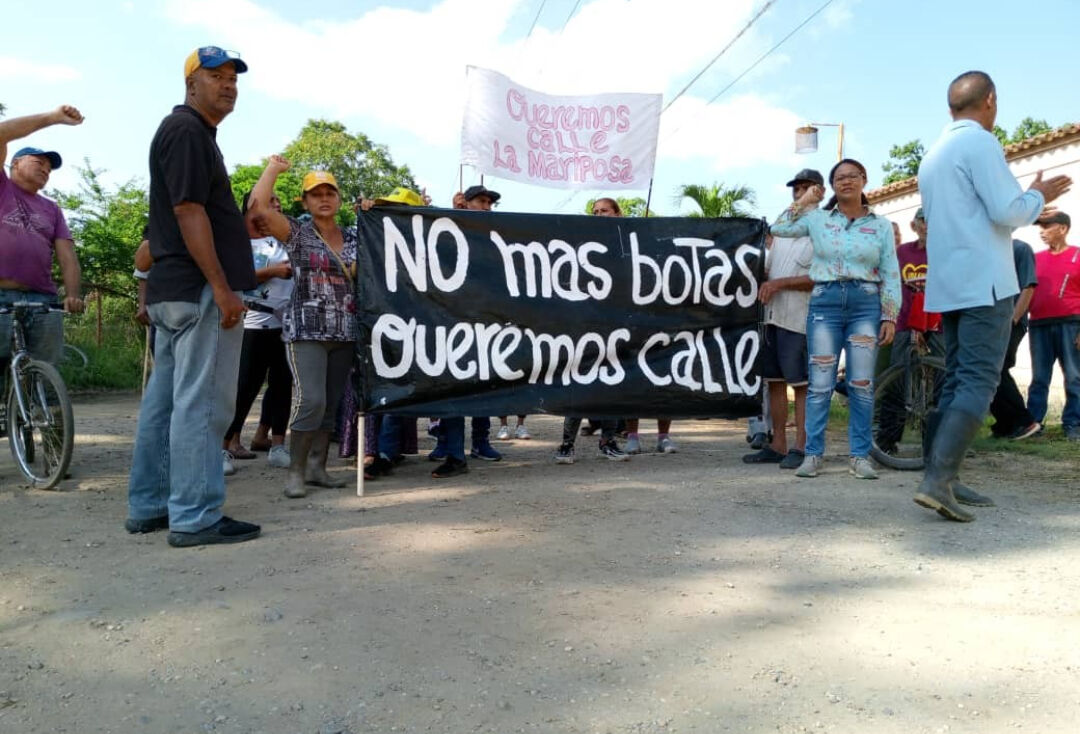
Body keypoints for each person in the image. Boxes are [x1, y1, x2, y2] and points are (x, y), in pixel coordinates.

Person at [915, 70, 1071, 522]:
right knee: (979, 382)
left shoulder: (934, 154)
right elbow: (1008, 211)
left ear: (950, 108)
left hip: (950, 284)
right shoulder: (980, 143)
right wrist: (1038, 195)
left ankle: (943, 474)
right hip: (984, 282)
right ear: (990, 101)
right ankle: (937, 480)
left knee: (957, 378)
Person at [127, 47, 260, 547]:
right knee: (202, 403)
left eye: (232, 78)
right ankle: (195, 515)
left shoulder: (189, 132)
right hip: (199, 287)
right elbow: (188, 212)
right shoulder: (186, 131)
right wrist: (223, 289)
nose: (227, 85)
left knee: (165, 402)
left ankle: (150, 505)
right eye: (215, 76)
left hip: (172, 287)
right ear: (190, 84)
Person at [770, 158, 901, 480]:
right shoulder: (817, 219)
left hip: (865, 304)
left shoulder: (881, 226)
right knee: (820, 383)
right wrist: (804, 200)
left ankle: (859, 456)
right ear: (831, 185)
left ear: (864, 180)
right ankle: (813, 455)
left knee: (861, 383)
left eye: (852, 176)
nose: (846, 182)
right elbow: (779, 227)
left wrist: (890, 315)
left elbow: (890, 273)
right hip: (825, 302)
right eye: (839, 178)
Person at [249, 155, 357, 498]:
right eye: (316, 194)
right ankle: (294, 472)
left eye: (330, 193)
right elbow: (258, 210)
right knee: (310, 400)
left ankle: (317, 467)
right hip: (306, 332)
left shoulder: (356, 235)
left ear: (338, 199)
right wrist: (272, 171)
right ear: (305, 201)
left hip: (345, 331)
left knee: (331, 402)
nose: (324, 199)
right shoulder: (297, 232)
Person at [742, 169, 818, 469]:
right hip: (772, 316)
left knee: (801, 384)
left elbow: (818, 277)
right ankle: (778, 444)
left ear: (818, 191)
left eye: (805, 188)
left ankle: (802, 445)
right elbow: (767, 271)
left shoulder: (821, 229)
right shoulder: (783, 233)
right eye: (795, 189)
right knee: (774, 382)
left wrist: (779, 284)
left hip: (799, 317)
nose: (798, 193)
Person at [0, 105, 86, 370]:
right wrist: (53, 118)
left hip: (43, 300)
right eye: (39, 162)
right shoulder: (3, 186)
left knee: (44, 372)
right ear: (15, 163)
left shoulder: (51, 208)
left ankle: (45, 412)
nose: (46, 169)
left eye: (50, 168)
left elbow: (67, 255)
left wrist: (73, 294)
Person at [553, 196, 633, 464]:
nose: (599, 215)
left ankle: (607, 442)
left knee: (611, 384)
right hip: (583, 326)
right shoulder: (579, 244)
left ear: (617, 214)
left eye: (605, 211)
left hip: (615, 327)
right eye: (595, 211)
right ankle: (566, 444)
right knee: (579, 384)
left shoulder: (627, 245)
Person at [222, 191, 294, 470]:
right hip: (252, 322)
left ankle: (278, 445)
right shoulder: (239, 240)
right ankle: (224, 448)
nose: (275, 204)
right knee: (244, 387)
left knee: (281, 386)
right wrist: (272, 272)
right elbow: (236, 278)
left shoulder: (289, 237)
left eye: (278, 200)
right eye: (268, 200)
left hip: (285, 324)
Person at [875, 207, 945, 454]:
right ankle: (888, 439)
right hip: (905, 322)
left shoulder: (946, 251)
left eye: (932, 221)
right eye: (923, 221)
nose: (927, 226)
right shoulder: (902, 252)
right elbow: (886, 282)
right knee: (897, 378)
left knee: (941, 381)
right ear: (914, 226)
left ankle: (936, 443)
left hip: (939, 324)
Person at [1026, 211, 1080, 440]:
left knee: (1074, 376)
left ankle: (1073, 424)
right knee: (1039, 377)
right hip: (1039, 324)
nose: (1042, 231)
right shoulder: (1035, 258)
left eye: (1048, 226)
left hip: (1071, 323)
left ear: (1063, 228)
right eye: (1040, 227)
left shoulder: (1077, 255)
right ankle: (1034, 424)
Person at [988, 238, 1040, 440]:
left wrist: (1014, 319)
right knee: (989, 370)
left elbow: (1029, 287)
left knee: (997, 368)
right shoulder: (986, 247)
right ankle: (1005, 424)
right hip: (989, 321)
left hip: (1011, 321)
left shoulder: (1020, 248)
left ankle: (1024, 422)